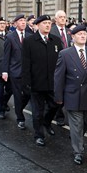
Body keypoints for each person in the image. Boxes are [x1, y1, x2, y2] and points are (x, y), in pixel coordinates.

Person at [54, 25, 87, 165]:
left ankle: (76, 138)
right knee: (77, 124)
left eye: (84, 33)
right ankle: (78, 151)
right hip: (73, 95)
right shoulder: (65, 54)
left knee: (86, 122)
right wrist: (58, 97)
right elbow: (59, 77)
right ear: (72, 37)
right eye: (79, 34)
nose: (83, 36)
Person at [22, 15, 62, 146]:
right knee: (37, 112)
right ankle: (39, 134)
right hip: (36, 83)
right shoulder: (29, 41)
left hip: (53, 83)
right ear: (37, 25)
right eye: (44, 23)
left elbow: (61, 62)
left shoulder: (55, 40)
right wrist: (26, 83)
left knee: (56, 105)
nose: (47, 25)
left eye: (49, 23)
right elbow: (26, 63)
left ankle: (47, 122)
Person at [2, 14, 32, 130]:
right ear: (15, 24)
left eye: (24, 21)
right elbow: (6, 56)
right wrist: (5, 71)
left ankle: (18, 108)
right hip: (15, 71)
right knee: (18, 95)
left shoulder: (30, 36)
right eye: (20, 21)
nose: (23, 22)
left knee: (28, 94)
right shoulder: (10, 37)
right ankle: (20, 118)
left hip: (27, 72)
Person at [50, 9, 72, 126]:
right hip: (57, 64)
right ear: (56, 19)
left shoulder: (69, 32)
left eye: (64, 17)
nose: (63, 19)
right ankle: (59, 114)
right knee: (59, 90)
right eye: (61, 17)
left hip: (70, 65)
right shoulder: (52, 31)